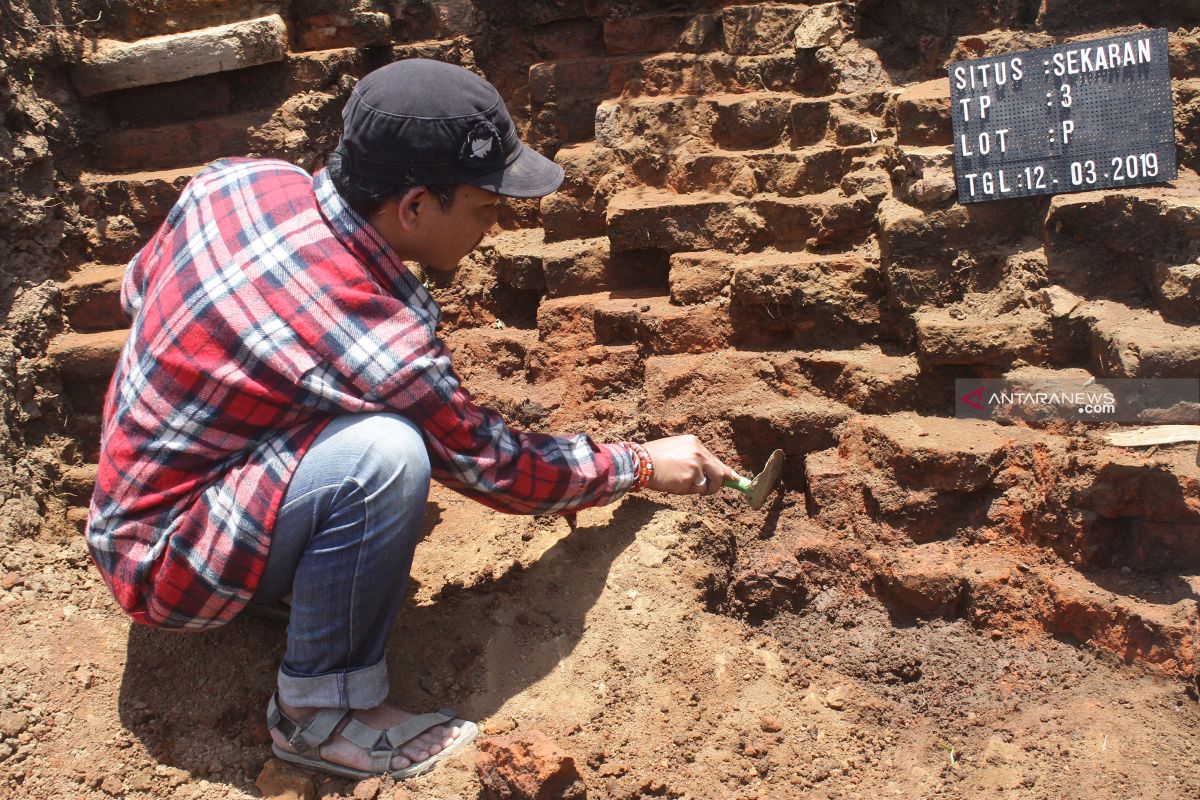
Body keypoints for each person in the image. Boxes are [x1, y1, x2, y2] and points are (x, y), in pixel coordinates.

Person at [84, 59, 736, 781]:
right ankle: (322, 717)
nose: (492, 230)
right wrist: (639, 464)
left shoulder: (241, 180)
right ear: (417, 205)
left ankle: (291, 582)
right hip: (165, 567)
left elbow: (137, 288)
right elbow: (500, 470)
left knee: (350, 440)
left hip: (131, 510)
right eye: (486, 211)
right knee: (385, 458)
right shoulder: (375, 334)